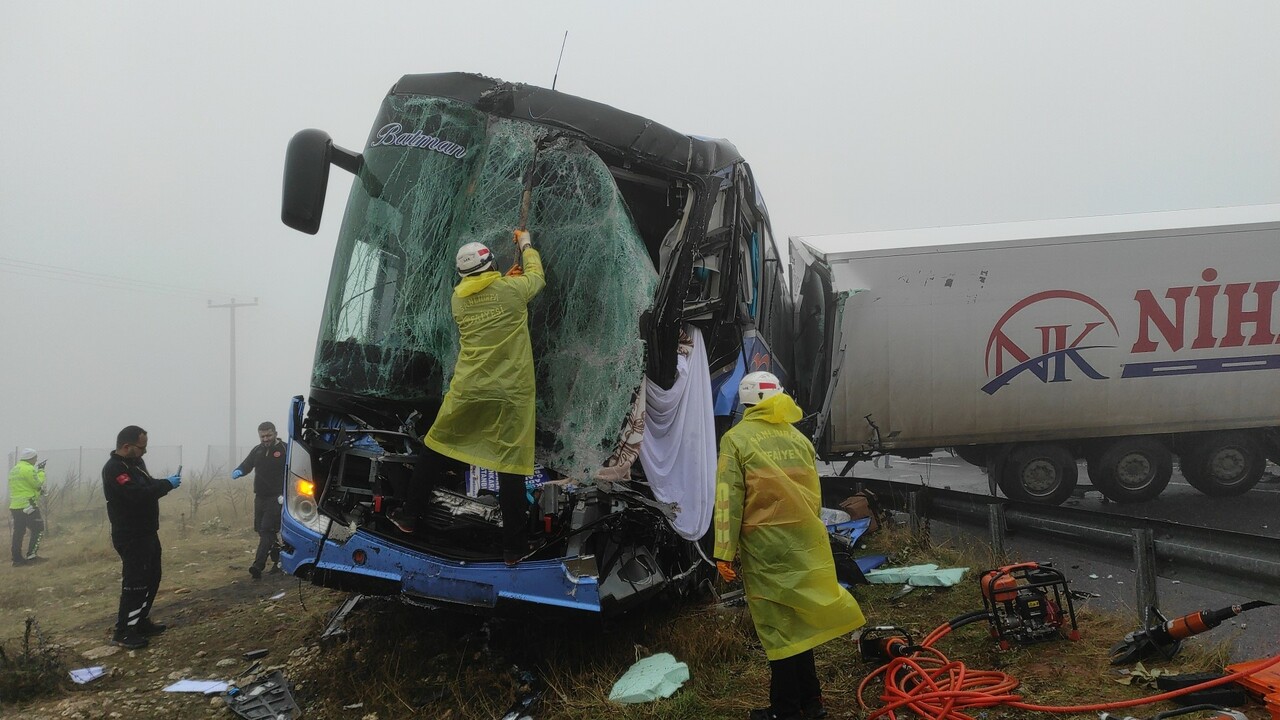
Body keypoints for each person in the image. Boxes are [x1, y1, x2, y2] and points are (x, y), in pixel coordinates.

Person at [713, 371, 866, 720]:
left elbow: (727, 500)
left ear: (746, 402)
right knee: (800, 624)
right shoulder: (798, 439)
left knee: (778, 628)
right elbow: (813, 496)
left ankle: (785, 709)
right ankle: (812, 703)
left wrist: (723, 550)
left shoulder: (737, 440)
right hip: (805, 541)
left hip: (765, 546)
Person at [390, 230, 545, 566]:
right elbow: (537, 278)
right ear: (491, 265)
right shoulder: (512, 291)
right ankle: (513, 549)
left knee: (436, 444)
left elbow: (485, 294)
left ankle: (409, 514)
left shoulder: (457, 299)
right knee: (511, 465)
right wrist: (526, 244)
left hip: (469, 389)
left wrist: (503, 282)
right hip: (510, 394)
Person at [102, 425, 181, 650]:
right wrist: (166, 485)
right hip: (130, 534)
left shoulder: (136, 464)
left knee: (153, 577)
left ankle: (140, 621)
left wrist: (165, 482)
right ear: (127, 446)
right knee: (135, 583)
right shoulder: (115, 469)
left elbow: (147, 485)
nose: (145, 452)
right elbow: (136, 494)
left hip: (147, 532)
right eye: (141, 447)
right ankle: (124, 631)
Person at [231, 421, 287, 580]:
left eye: (268, 435)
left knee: (267, 530)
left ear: (275, 433)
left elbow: (295, 470)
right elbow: (246, 465)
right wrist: (238, 471)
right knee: (261, 529)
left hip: (277, 497)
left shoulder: (285, 449)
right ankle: (279, 561)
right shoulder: (257, 450)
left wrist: (289, 493)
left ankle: (258, 566)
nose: (265, 439)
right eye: (262, 436)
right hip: (260, 497)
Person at [8, 448, 47, 566]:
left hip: (15, 506)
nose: (36, 460)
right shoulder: (29, 469)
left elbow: (23, 487)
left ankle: (17, 559)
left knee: (18, 531)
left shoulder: (14, 469)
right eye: (35, 458)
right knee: (38, 528)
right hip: (28, 505)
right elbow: (37, 483)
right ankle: (32, 555)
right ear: (31, 458)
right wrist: (40, 471)